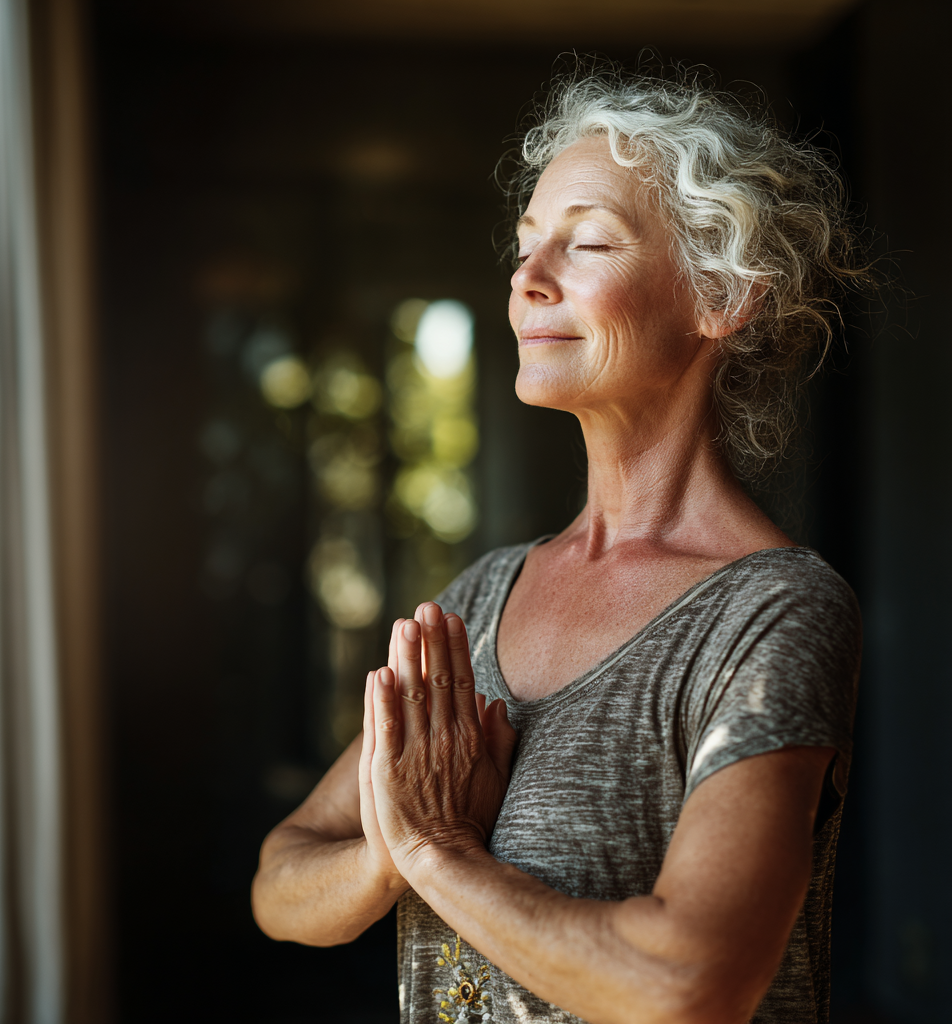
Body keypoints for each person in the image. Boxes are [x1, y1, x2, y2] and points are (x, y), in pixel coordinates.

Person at [251, 65, 869, 1024]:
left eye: (585, 243)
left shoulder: (774, 610)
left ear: (723, 295)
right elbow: (281, 883)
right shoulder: (481, 594)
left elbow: (687, 982)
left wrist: (432, 855)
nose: (526, 279)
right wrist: (388, 849)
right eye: (525, 244)